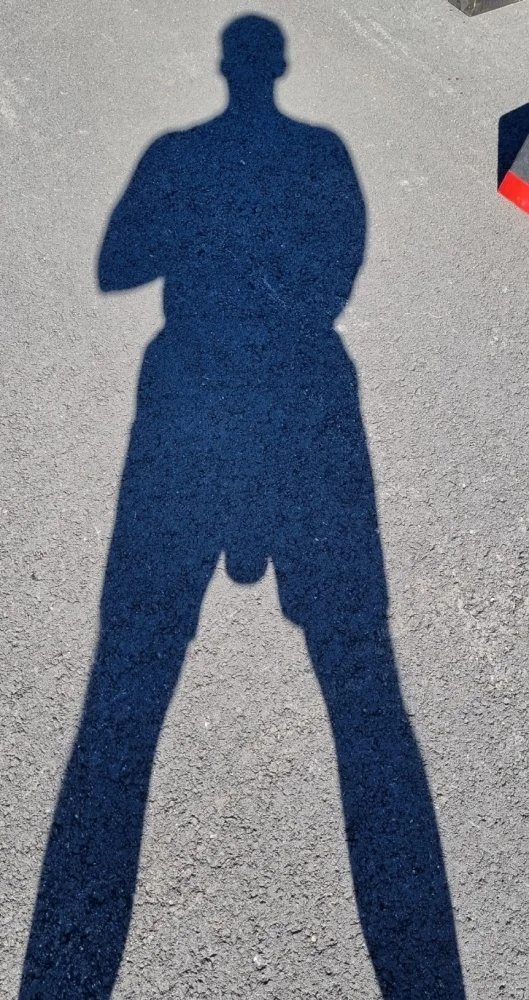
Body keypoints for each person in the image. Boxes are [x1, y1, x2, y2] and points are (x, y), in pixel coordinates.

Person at [20, 16, 466, 999]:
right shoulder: (325, 151)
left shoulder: (175, 153)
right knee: (361, 678)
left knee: (129, 678)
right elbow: (338, 272)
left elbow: (114, 267)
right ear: (278, 67)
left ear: (226, 67)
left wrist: (195, 234)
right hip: (312, 387)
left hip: (183, 381)